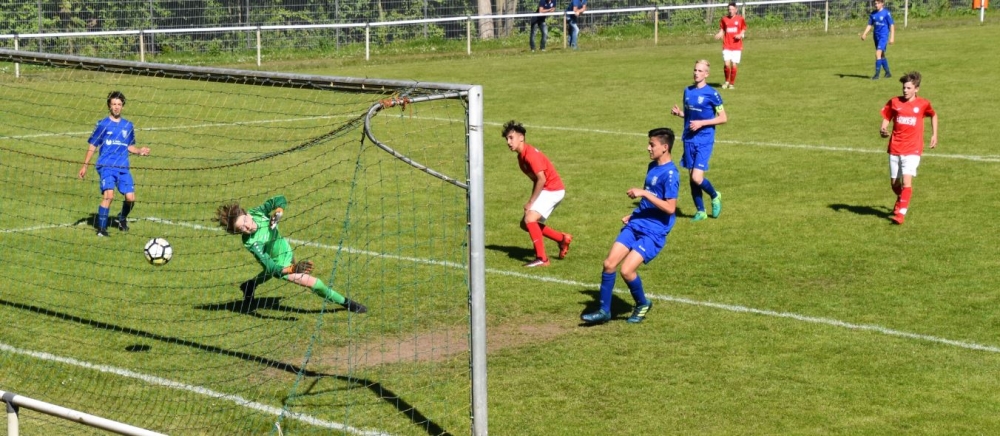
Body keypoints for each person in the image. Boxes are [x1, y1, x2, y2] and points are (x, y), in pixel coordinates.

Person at [581, 128, 680, 325]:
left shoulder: (671, 174)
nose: (648, 148)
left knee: (627, 270)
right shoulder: (652, 166)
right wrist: (635, 214)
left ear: (665, 147)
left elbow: (670, 208)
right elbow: (649, 200)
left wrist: (644, 193)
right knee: (609, 264)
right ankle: (604, 311)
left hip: (654, 231)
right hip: (637, 223)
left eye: (652, 144)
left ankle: (642, 303)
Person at [217, 195, 368, 313]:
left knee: (269, 274)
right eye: (241, 229)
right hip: (281, 266)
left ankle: (250, 285)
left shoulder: (257, 213)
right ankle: (347, 303)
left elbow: (280, 199)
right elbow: (271, 268)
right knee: (315, 283)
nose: (247, 227)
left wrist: (278, 211)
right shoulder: (252, 243)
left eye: (245, 221)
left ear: (247, 214)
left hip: (287, 250)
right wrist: (292, 269)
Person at [78, 91, 150, 237]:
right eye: (114, 104)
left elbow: (129, 146)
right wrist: (85, 165)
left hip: (123, 166)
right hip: (106, 166)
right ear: (109, 106)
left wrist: (139, 151)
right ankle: (101, 229)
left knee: (130, 198)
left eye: (119, 104)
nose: (116, 107)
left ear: (123, 106)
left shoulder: (128, 126)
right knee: (109, 196)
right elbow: (93, 145)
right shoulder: (102, 124)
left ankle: (121, 218)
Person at [502, 120, 572, 267]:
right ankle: (562, 239)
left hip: (553, 189)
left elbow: (542, 179)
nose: (508, 142)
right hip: (548, 189)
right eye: (507, 139)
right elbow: (536, 180)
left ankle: (542, 259)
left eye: (511, 138)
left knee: (530, 219)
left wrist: (530, 202)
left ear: (521, 137)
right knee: (525, 224)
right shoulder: (521, 157)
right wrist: (532, 201)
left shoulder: (530, 155)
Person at [670, 60, 727, 222]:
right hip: (689, 139)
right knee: (691, 179)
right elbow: (690, 116)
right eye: (695, 70)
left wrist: (702, 123)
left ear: (706, 74)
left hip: (704, 140)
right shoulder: (687, 91)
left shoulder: (712, 94)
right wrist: (680, 114)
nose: (696, 73)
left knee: (697, 177)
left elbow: (723, 118)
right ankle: (700, 211)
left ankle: (715, 195)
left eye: (700, 71)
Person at [879, 71, 938, 225]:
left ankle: (900, 214)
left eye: (909, 88)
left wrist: (934, 134)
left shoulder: (923, 104)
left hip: (913, 149)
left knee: (906, 182)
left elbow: (933, 115)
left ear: (916, 89)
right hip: (895, 147)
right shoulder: (894, 102)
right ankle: (901, 198)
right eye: (904, 88)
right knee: (894, 184)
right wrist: (883, 129)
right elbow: (887, 116)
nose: (905, 90)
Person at [714, 2, 747, 90]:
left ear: (736, 10)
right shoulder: (724, 19)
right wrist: (719, 33)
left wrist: (740, 35)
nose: (730, 11)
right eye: (729, 9)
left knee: (734, 65)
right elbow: (722, 29)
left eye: (732, 9)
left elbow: (744, 28)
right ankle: (726, 82)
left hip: (737, 45)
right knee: (726, 64)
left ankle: (731, 83)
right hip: (727, 45)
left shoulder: (740, 19)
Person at [860, 0, 895, 80]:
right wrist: (864, 34)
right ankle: (888, 73)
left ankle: (877, 75)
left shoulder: (886, 13)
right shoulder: (873, 14)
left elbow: (891, 25)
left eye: (878, 3)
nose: (876, 5)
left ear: (882, 3)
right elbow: (869, 25)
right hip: (876, 36)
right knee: (881, 54)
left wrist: (892, 37)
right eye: (875, 3)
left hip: (883, 36)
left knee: (877, 54)